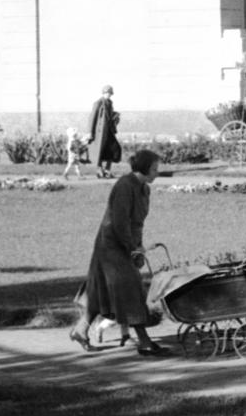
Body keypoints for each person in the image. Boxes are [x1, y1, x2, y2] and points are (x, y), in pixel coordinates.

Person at [69, 148, 170, 356]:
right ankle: (144, 341)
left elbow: (137, 223)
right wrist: (133, 248)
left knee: (103, 290)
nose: (157, 173)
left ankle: (80, 330)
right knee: (131, 289)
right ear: (144, 168)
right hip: (112, 245)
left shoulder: (144, 189)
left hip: (127, 244)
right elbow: (119, 222)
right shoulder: (125, 186)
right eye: (154, 169)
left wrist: (138, 248)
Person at [88, 84, 120, 178]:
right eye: (107, 93)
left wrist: (115, 116)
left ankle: (107, 170)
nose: (108, 94)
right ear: (103, 93)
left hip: (109, 131)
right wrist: (90, 132)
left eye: (110, 93)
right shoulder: (98, 103)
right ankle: (99, 170)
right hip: (100, 133)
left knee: (114, 149)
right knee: (99, 151)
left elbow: (110, 116)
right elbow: (92, 118)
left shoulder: (110, 103)